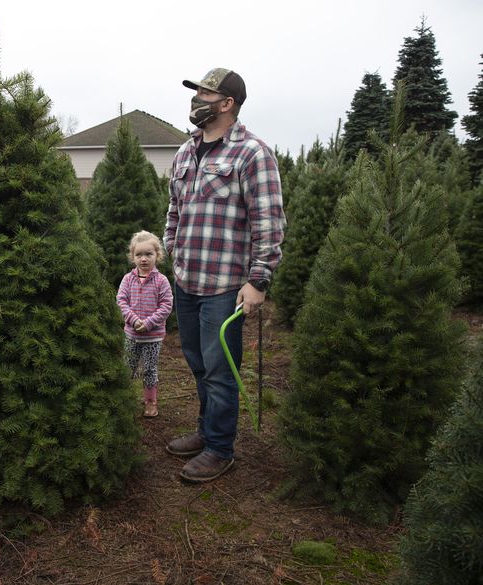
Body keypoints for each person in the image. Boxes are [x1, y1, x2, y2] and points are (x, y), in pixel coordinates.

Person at [163, 68, 285, 483]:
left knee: (220, 369)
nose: (196, 99)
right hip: (187, 281)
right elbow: (174, 212)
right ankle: (205, 430)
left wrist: (259, 280)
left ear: (227, 103)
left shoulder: (252, 153)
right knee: (198, 364)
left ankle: (219, 448)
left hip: (225, 287)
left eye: (203, 93)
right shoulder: (185, 152)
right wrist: (172, 250)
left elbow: (269, 221)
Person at [116, 231, 173, 418]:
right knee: (129, 367)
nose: (144, 259)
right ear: (132, 257)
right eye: (139, 254)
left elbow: (166, 306)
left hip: (152, 337)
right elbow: (121, 301)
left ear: (158, 255)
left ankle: (150, 402)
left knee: (149, 369)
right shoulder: (128, 279)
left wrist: (148, 323)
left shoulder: (161, 281)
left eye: (149, 254)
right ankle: (125, 399)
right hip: (132, 335)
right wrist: (133, 320)